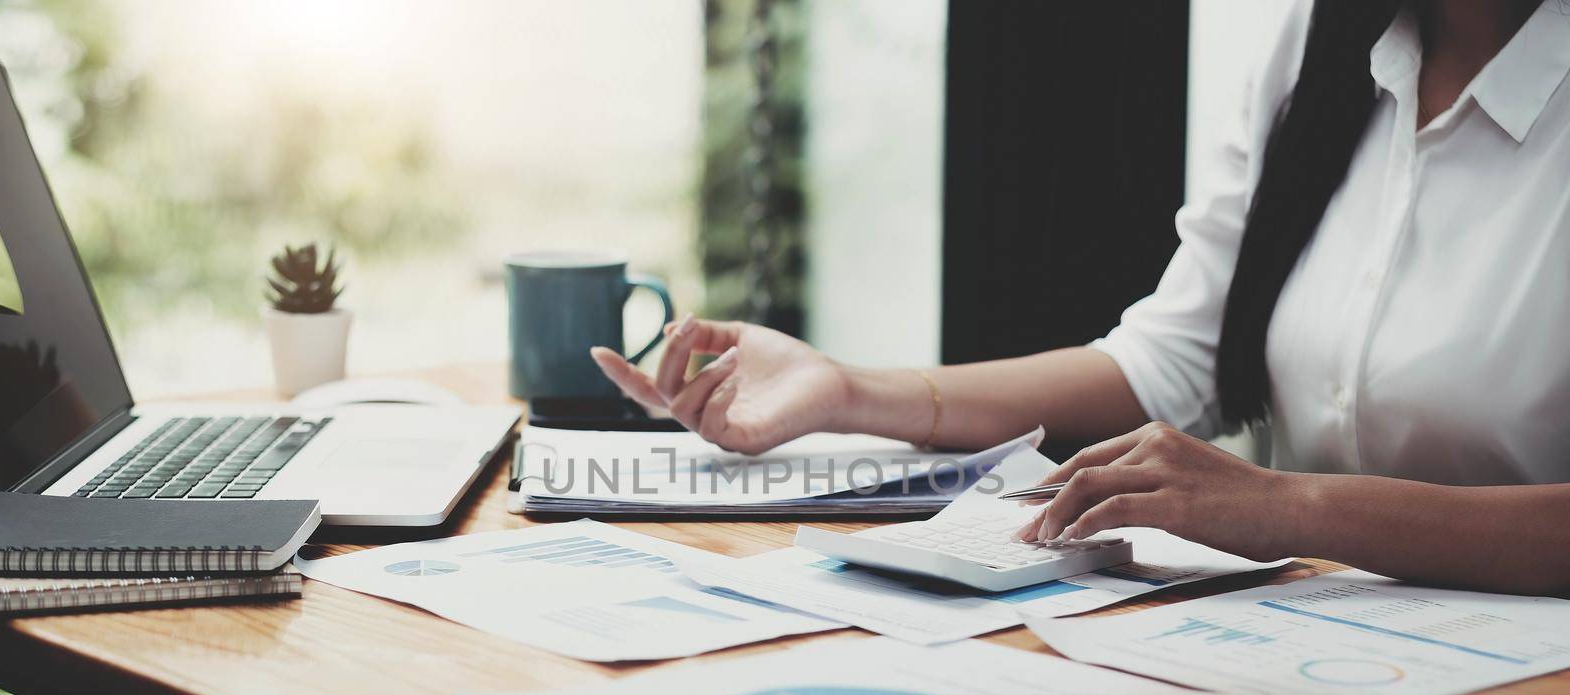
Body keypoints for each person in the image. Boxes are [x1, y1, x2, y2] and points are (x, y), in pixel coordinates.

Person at [593, 0, 1570, 595]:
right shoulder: (1323, 45)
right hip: (1331, 670)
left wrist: (1289, 510)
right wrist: (849, 391)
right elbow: (1171, 358)